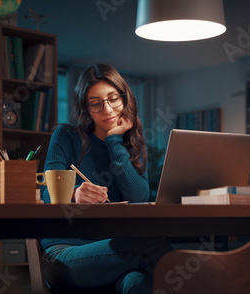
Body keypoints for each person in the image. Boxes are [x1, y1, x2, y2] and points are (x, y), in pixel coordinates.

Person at [40, 63, 172, 294]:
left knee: (138, 284)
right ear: (86, 108)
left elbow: (138, 199)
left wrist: (114, 142)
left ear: (124, 98)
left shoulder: (132, 146)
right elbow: (47, 193)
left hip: (117, 258)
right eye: (96, 103)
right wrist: (73, 195)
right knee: (150, 244)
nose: (108, 109)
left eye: (113, 99)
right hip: (65, 255)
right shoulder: (66, 136)